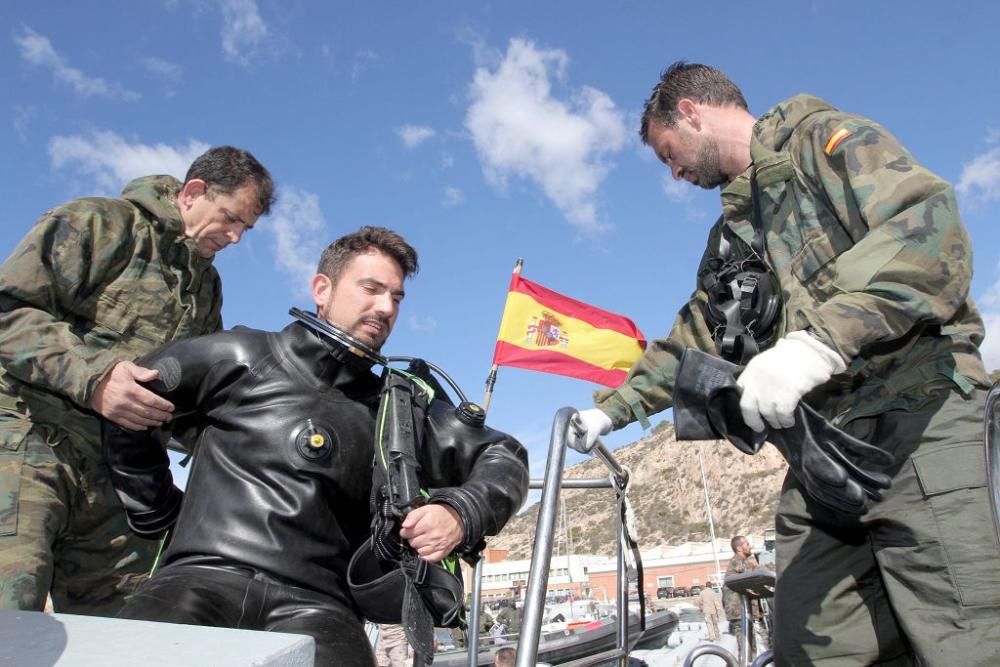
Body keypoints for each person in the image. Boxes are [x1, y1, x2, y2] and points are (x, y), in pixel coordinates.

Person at [575, 61, 1000, 665]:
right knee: (806, 644)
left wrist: (819, 342)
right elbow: (693, 336)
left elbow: (928, 234)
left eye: (669, 153)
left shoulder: (823, 142)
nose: (673, 173)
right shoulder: (730, 239)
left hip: (920, 418)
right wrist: (612, 413)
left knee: (968, 637)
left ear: (692, 110)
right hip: (824, 455)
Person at [104, 227, 530, 666]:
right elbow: (130, 396)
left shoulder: (395, 410)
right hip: (198, 579)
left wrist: (460, 510)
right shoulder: (240, 356)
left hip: (320, 607)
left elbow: (505, 457)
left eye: (397, 298)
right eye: (371, 288)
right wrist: (154, 509)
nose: (385, 307)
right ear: (322, 289)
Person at [0, 146, 274, 614]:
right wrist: (97, 378)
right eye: (231, 219)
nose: (234, 238)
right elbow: (10, 313)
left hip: (124, 482)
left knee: (135, 628)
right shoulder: (97, 223)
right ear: (193, 193)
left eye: (244, 229)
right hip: (30, 448)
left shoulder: (205, 287)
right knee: (12, 609)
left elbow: (195, 397)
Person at [723, 536, 759, 655]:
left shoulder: (741, 561)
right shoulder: (737, 561)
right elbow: (754, 573)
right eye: (747, 544)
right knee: (746, 647)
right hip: (738, 611)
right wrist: (753, 562)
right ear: (739, 548)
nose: (750, 546)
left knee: (749, 646)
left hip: (740, 610)